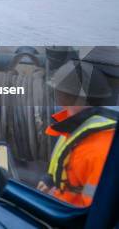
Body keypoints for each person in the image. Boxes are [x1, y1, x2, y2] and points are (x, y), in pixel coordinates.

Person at [36, 58, 116, 207]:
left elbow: (98, 211)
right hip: (63, 206)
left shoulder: (99, 151)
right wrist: (50, 179)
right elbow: (65, 165)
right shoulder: (75, 128)